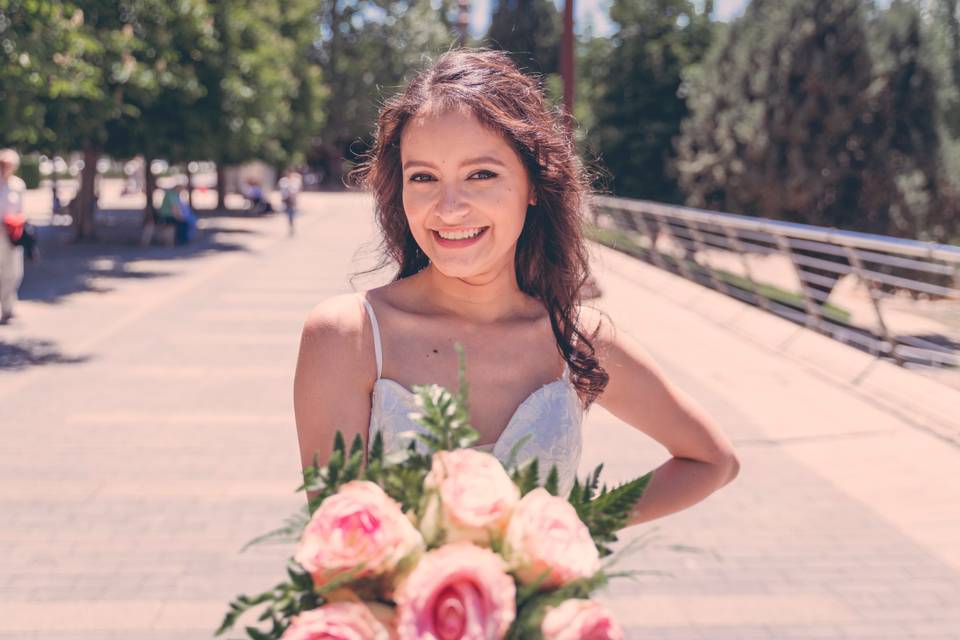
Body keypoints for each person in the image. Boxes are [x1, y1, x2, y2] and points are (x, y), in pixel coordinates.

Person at [293, 49, 739, 528]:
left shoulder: (578, 339)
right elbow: (333, 549)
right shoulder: (350, 337)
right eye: (423, 177)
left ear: (533, 183)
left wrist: (569, 531)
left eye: (480, 174)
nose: (448, 207)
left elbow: (713, 461)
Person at [0, 148, 27, 324]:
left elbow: (22, 210)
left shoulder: (18, 185)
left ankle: (8, 306)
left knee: (15, 271)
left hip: (12, 233)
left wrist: (18, 222)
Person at [278, 169, 302, 236]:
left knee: (291, 214)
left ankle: (291, 226)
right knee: (288, 214)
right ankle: (290, 226)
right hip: (286, 200)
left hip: (292, 200)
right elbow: (282, 191)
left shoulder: (295, 181)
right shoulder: (283, 181)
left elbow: (296, 190)